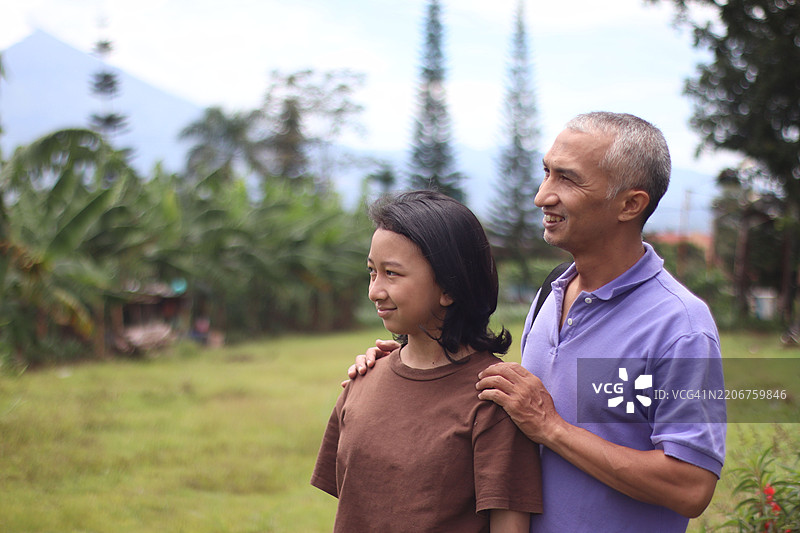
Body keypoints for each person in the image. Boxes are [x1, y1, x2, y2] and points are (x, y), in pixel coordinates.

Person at [348, 112, 726, 532]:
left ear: (631, 204)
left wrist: (553, 429)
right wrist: (407, 361)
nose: (543, 195)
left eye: (568, 179)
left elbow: (691, 487)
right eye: (546, 173)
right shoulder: (551, 294)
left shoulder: (680, 326)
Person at [312, 191, 543, 532]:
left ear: (449, 288)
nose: (375, 291)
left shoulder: (494, 398)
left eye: (392, 273)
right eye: (372, 272)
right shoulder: (363, 379)